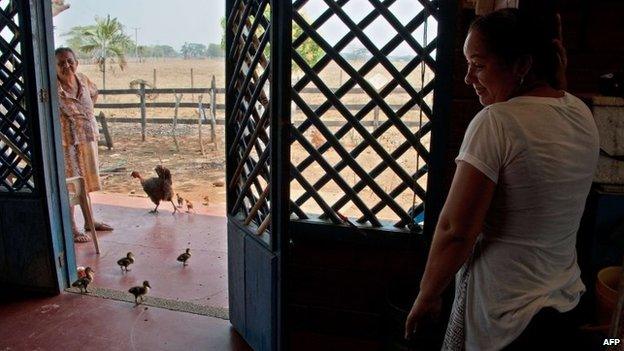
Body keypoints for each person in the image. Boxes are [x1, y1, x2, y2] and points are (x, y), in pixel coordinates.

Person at [404, 9, 599, 350]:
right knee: (611, 344)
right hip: (564, 302)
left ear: (522, 65)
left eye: (478, 65)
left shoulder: (497, 122)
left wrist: (427, 295)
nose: (468, 78)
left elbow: (455, 230)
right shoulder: (580, 112)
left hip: (508, 318)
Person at [55, 47, 113, 243]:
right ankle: (72, 227)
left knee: (86, 182)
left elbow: (94, 94)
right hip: (68, 143)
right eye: (61, 63)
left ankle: (89, 221)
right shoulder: (54, 88)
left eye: (70, 61)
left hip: (87, 139)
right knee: (72, 185)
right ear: (54, 67)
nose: (66, 66)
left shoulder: (84, 80)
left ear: (76, 62)